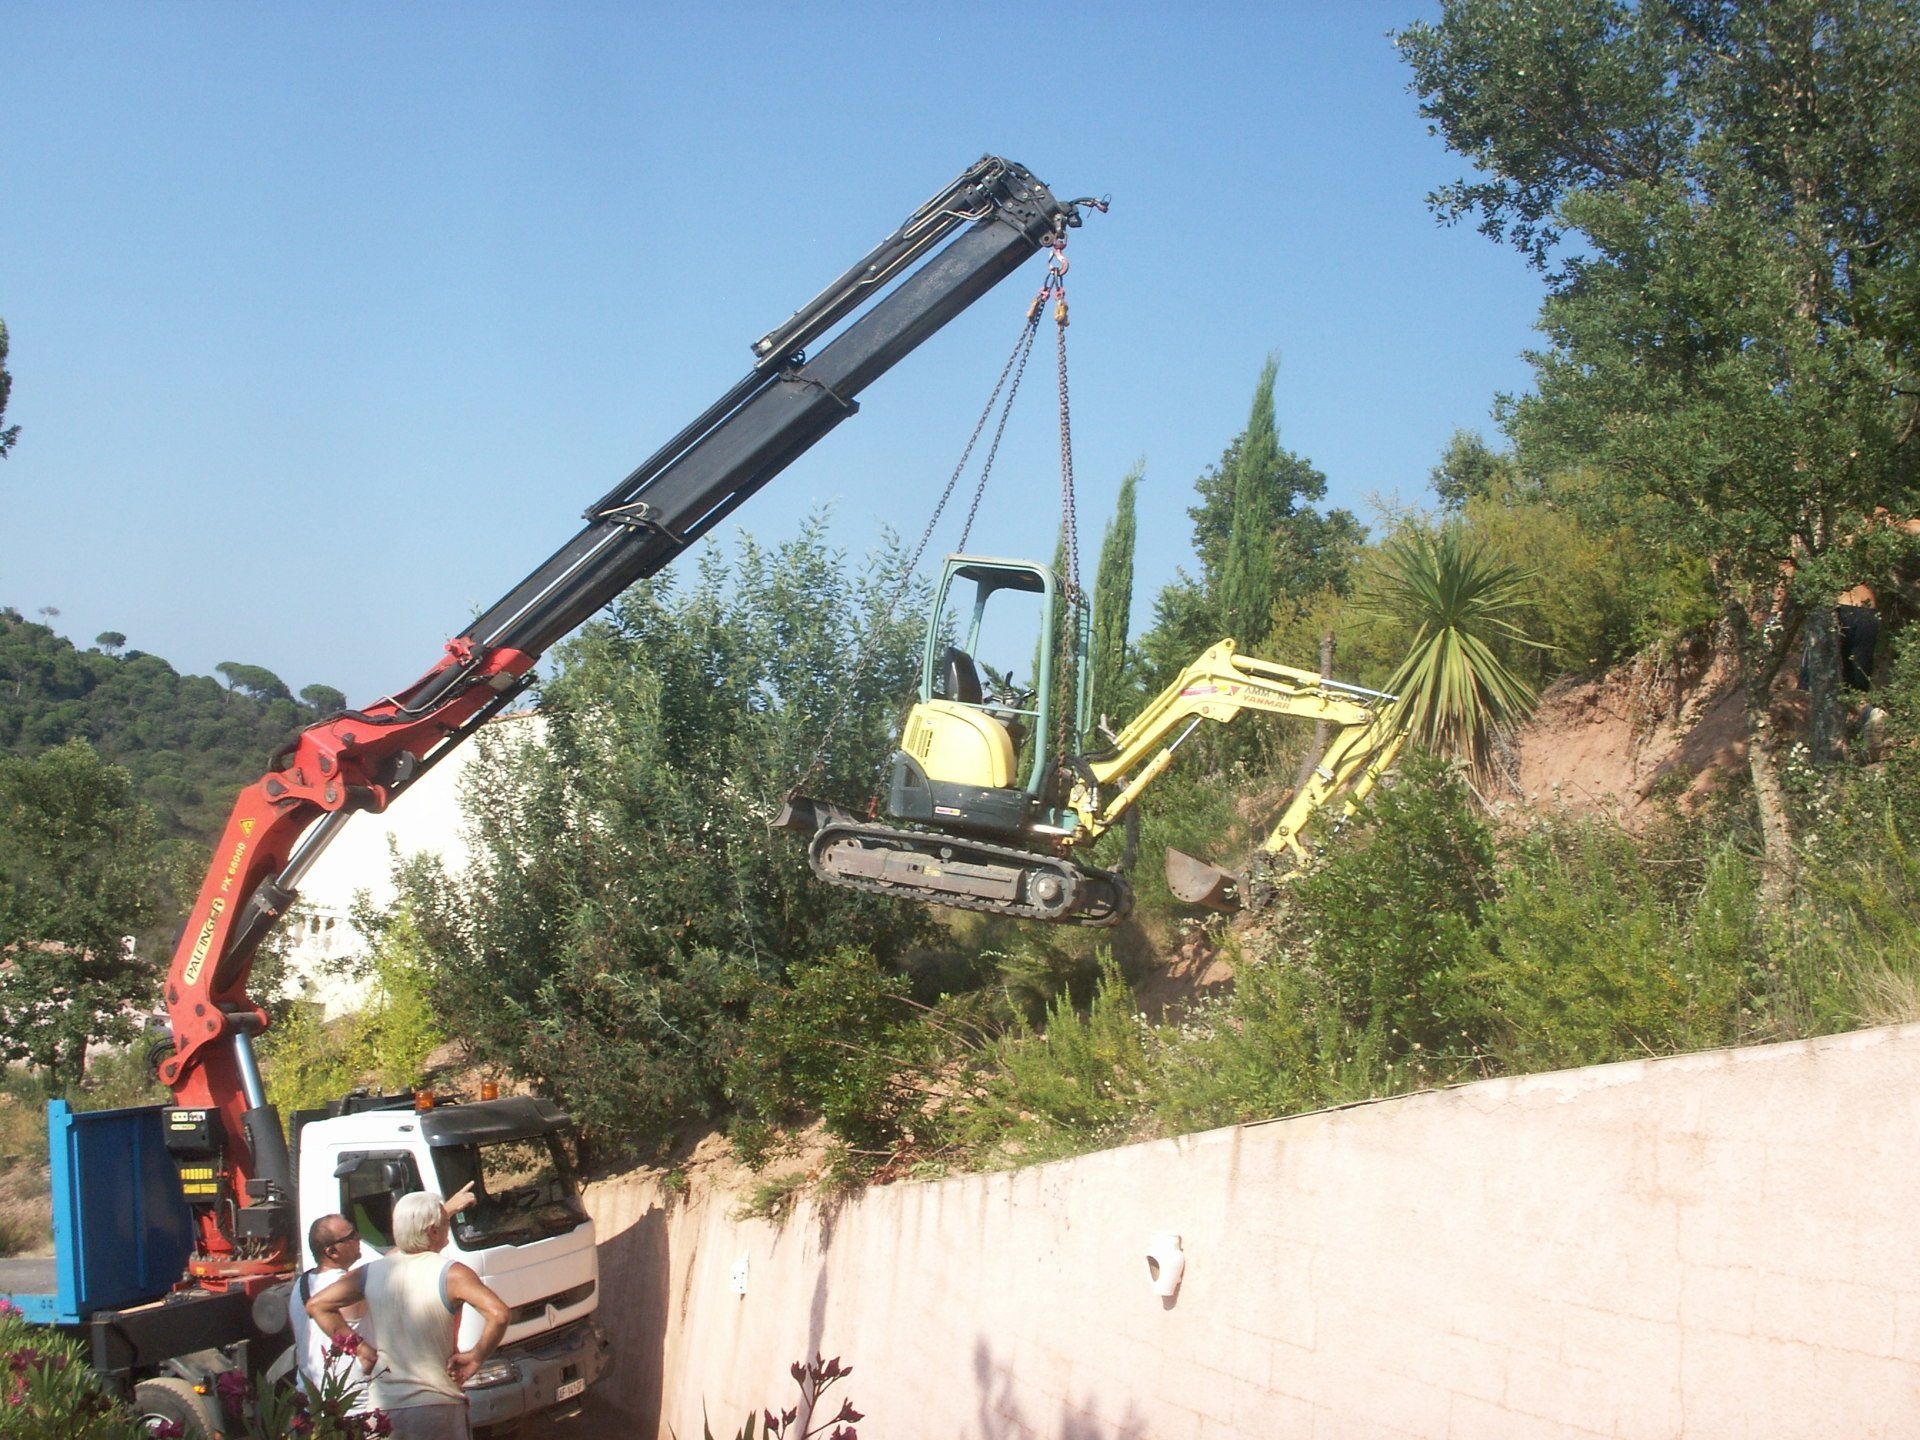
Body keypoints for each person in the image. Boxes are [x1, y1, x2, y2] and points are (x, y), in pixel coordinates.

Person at [308, 1190, 509, 1440]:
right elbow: (499, 1314)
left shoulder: (372, 1273)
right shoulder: (452, 1274)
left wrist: (361, 1349)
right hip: (436, 1405)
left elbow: (317, 1305)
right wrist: (477, 1356)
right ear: (433, 1231)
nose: (448, 1229)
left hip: (383, 1409)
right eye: (445, 1223)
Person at [288, 1213, 373, 1411]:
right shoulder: (347, 1287)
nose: (359, 1238)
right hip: (353, 1403)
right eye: (351, 1237)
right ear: (332, 1251)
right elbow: (393, 1264)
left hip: (312, 1402)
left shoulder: (298, 1286)